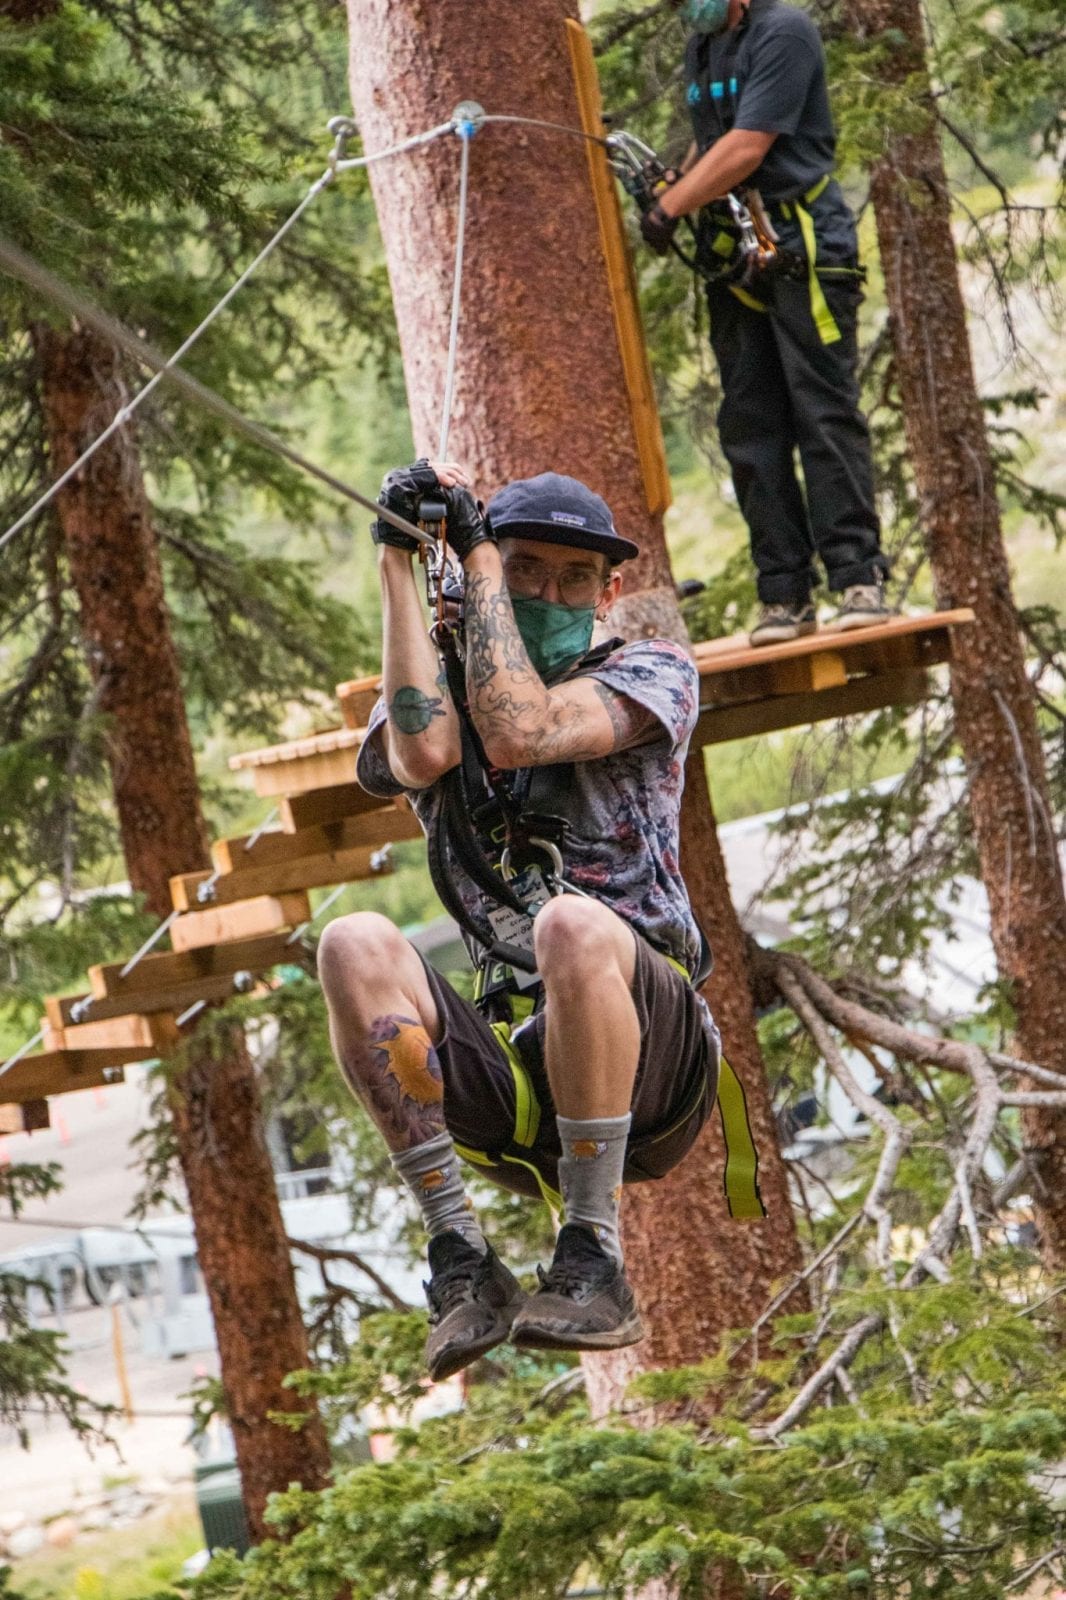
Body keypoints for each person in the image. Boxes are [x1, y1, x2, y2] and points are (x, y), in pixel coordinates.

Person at [317, 460, 722, 1381]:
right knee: (353, 943)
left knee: (571, 927)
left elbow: (524, 733)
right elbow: (423, 751)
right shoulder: (441, 690)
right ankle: (460, 1255)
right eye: (528, 569)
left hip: (649, 1058)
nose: (548, 592)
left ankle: (593, 1257)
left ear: (608, 591)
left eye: (572, 578)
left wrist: (486, 560)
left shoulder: (652, 673)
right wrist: (398, 559)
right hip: (516, 1076)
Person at [640, 0, 890, 647]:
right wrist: (684, 179)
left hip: (802, 245)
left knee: (822, 412)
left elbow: (750, 145)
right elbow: (719, 133)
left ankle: (858, 578)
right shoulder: (705, 44)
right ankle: (783, 593)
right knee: (751, 422)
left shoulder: (784, 32)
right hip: (741, 253)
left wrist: (671, 206)